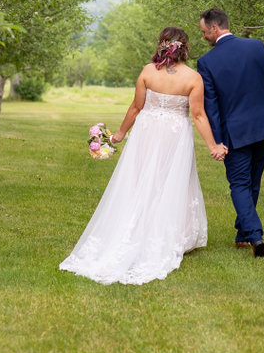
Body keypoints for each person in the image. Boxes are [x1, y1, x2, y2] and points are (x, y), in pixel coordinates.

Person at [60, 27, 226, 285]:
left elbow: (136, 107)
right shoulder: (193, 78)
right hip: (174, 134)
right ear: (185, 47)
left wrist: (119, 134)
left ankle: (136, 228)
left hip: (147, 132)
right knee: (170, 181)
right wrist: (213, 145)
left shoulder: (148, 71)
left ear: (162, 45)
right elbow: (198, 115)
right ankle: (166, 235)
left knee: (140, 180)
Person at [196, 8, 264, 258]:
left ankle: (255, 236)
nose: (203, 37)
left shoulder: (207, 62)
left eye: (203, 32)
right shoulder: (257, 47)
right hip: (263, 127)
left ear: (214, 28)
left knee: (240, 185)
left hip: (235, 133)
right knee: (253, 181)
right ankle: (243, 234)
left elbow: (211, 106)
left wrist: (218, 140)